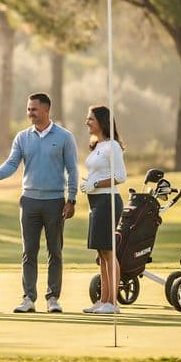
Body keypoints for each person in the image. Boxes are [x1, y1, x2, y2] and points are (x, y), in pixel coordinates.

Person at [0, 93, 78, 313]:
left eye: (34, 109)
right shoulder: (22, 137)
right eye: (28, 109)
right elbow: (12, 164)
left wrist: (72, 199)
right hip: (29, 201)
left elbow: (73, 170)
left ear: (46, 110)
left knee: (54, 251)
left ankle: (52, 299)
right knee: (28, 252)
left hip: (55, 201)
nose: (30, 113)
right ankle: (28, 298)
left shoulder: (65, 137)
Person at [80, 105, 127, 314]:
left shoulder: (113, 146)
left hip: (108, 201)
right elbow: (98, 173)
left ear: (101, 121)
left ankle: (112, 303)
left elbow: (120, 177)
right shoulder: (98, 145)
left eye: (90, 118)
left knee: (109, 251)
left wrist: (96, 185)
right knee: (101, 252)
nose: (86, 122)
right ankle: (103, 300)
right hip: (96, 203)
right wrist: (88, 182)